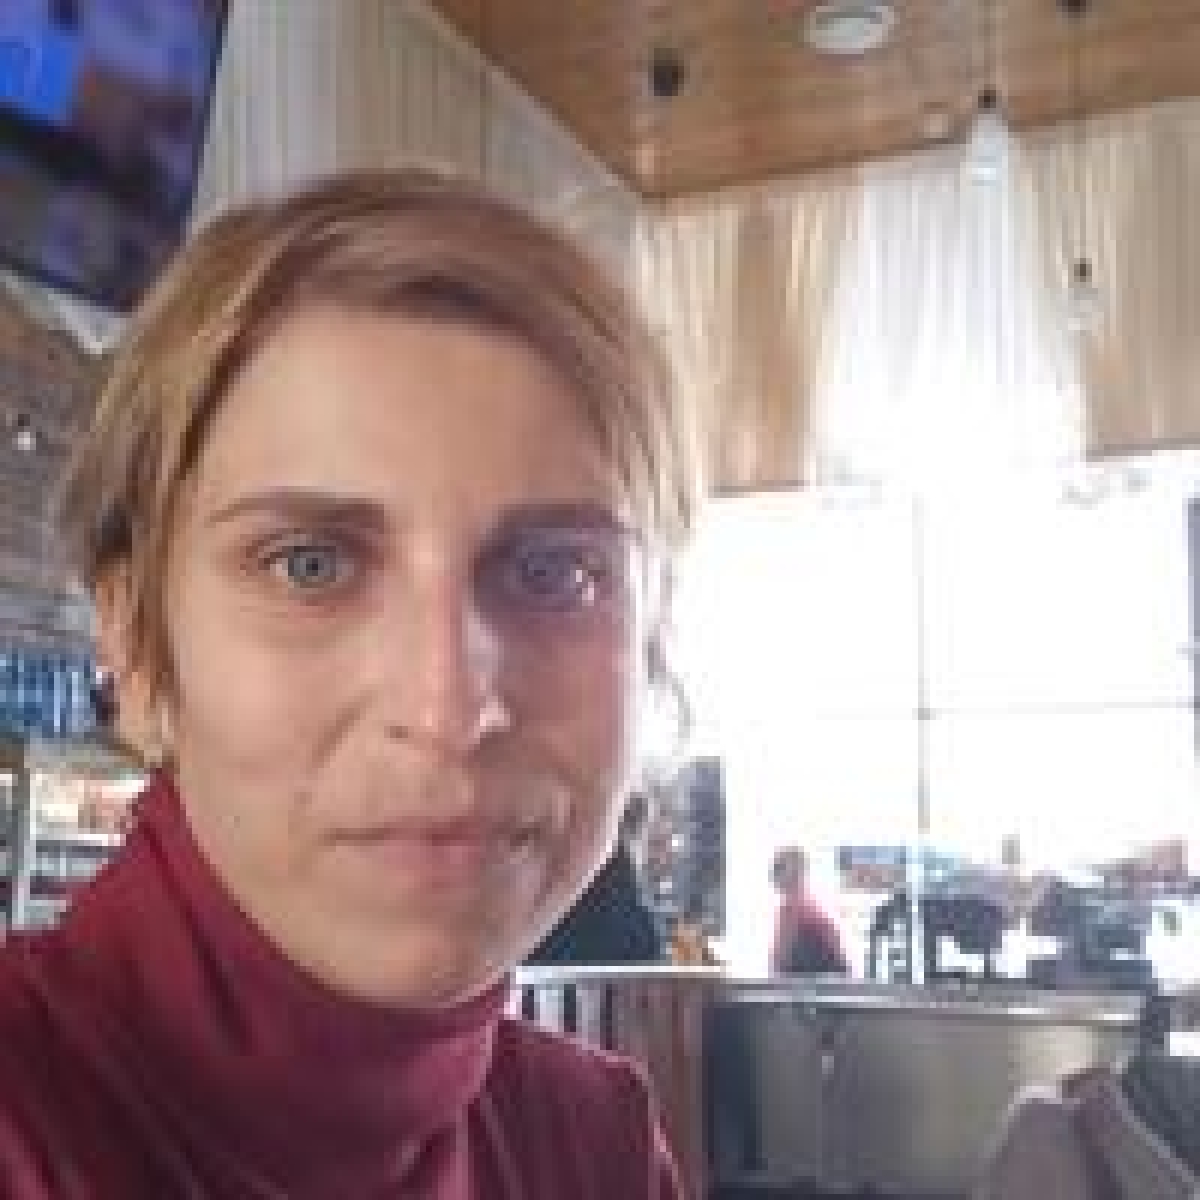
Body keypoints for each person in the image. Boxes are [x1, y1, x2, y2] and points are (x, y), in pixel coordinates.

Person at [0, 166, 701, 1197]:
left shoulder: (596, 1145)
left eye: (556, 573)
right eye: (310, 564)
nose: (448, 709)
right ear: (138, 646)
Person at [769, 845, 849, 976]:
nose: (775, 873)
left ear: (798, 872)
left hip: (815, 980)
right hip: (808, 979)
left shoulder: (801, 907)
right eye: (776, 867)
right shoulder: (793, 906)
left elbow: (781, 958)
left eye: (780, 867)